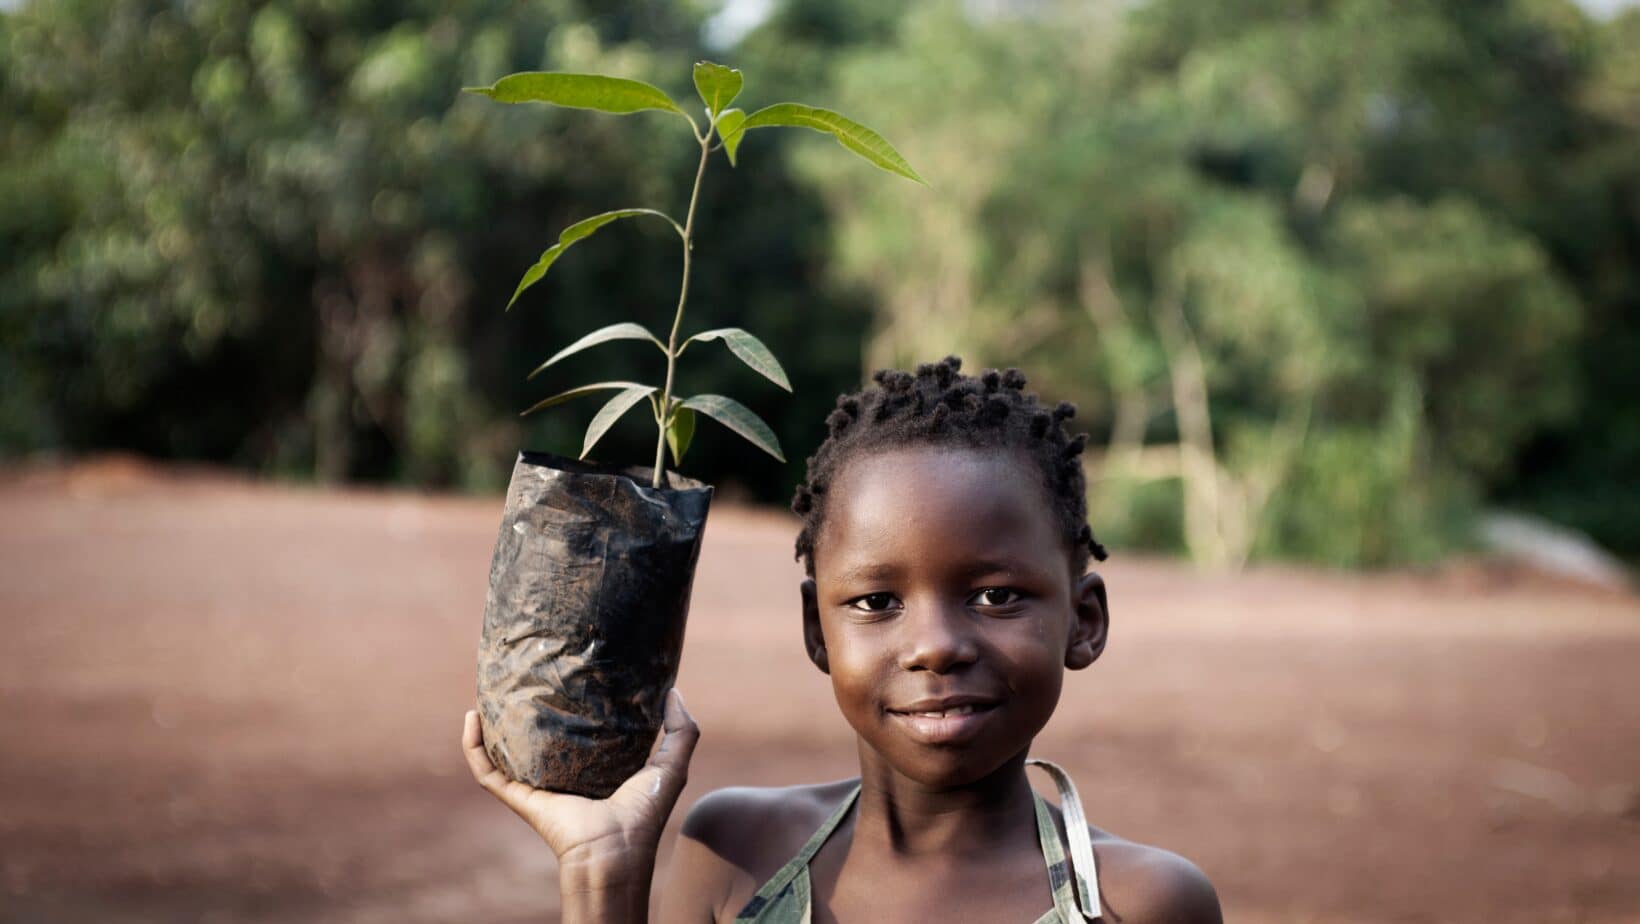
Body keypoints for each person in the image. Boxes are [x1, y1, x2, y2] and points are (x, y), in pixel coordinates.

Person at [462, 356, 1222, 922]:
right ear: (815, 631)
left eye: (996, 596)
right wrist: (604, 875)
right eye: (877, 600)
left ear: (1083, 623)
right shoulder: (734, 854)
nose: (935, 646)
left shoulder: (1141, 903)